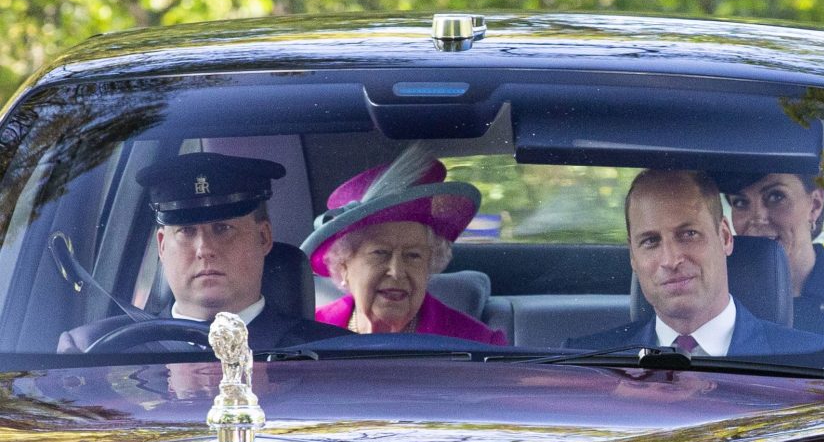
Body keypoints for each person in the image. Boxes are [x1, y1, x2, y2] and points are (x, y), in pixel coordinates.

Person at [58, 152, 348, 353]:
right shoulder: (92, 349)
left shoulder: (335, 355)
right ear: (161, 245)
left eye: (222, 229)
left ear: (263, 237)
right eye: (185, 231)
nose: (204, 249)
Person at [566, 169, 824, 356]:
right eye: (650, 241)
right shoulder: (585, 361)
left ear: (725, 237)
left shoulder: (814, 358)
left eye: (688, 234)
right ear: (633, 257)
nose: (670, 260)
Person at [300, 146, 507, 345]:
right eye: (380, 253)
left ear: (429, 265)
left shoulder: (478, 343)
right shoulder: (306, 335)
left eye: (413, 255)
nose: (397, 272)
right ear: (343, 265)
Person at [723, 172, 824, 337]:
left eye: (776, 197)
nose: (757, 218)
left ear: (815, 205)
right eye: (740, 202)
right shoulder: (717, 291)